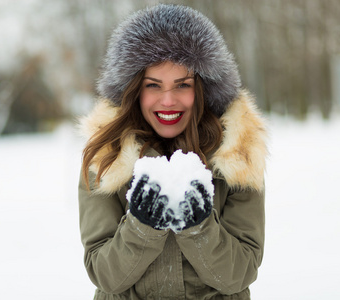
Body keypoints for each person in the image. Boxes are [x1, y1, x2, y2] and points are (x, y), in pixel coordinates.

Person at [78, 4, 268, 299]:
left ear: (202, 88)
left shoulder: (236, 154)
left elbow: (240, 274)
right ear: (134, 90)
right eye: (153, 85)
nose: (168, 100)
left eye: (182, 85)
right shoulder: (106, 157)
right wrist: (141, 227)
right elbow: (105, 276)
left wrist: (200, 228)